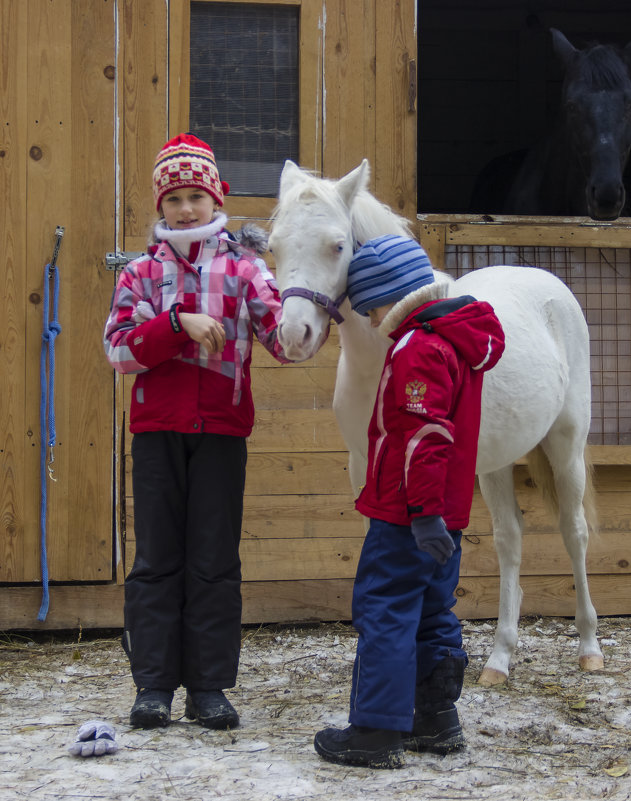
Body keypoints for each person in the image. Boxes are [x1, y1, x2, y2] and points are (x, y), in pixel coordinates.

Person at [103, 133, 290, 730]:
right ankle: (153, 686)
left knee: (212, 560)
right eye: (175, 197)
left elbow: (282, 340)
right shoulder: (139, 274)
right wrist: (179, 324)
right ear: (160, 206)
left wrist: (319, 301)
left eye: (196, 196)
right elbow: (119, 351)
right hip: (157, 432)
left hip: (221, 432)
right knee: (157, 559)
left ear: (216, 199)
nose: (186, 209)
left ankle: (209, 687)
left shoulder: (245, 268)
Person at [313, 235, 506, 768]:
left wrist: (421, 515)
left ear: (391, 298)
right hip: (448, 514)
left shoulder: (419, 346)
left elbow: (424, 437)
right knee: (431, 611)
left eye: (372, 308)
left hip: (409, 515)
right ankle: (436, 720)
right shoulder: (458, 340)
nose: (373, 321)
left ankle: (375, 732)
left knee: (385, 611)